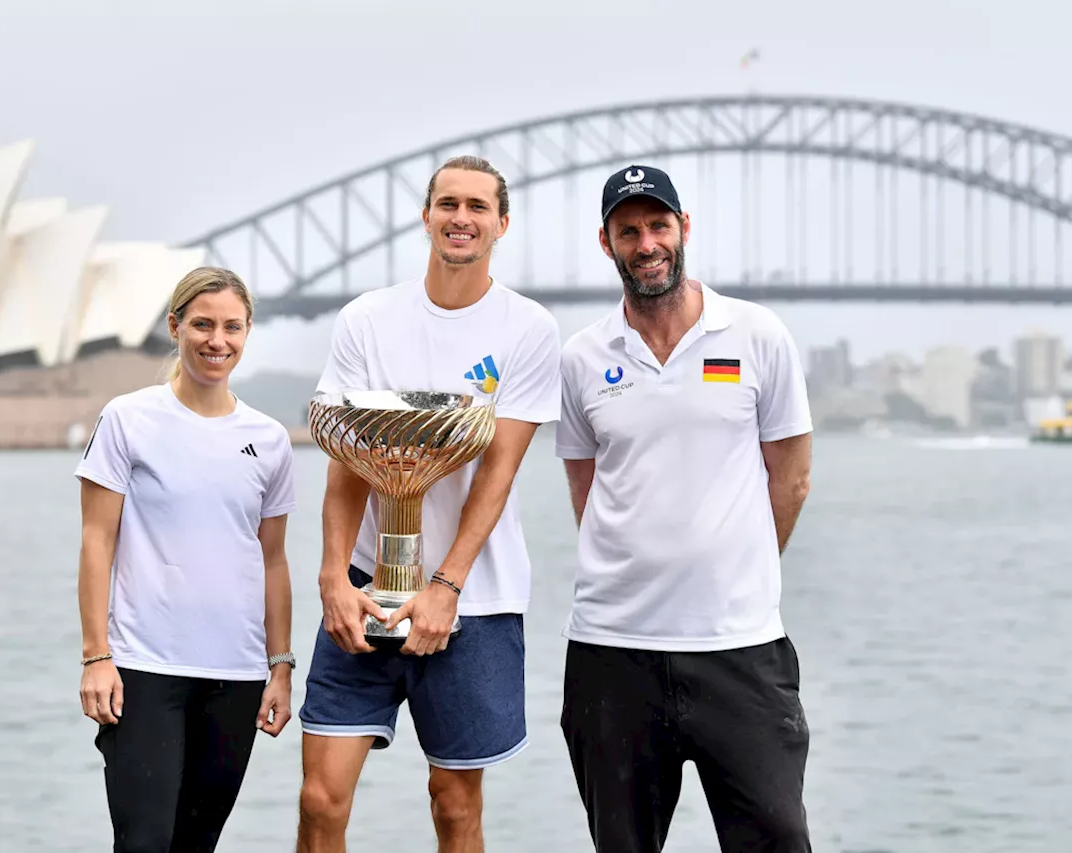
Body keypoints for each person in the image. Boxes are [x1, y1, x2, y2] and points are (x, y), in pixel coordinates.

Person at [295, 155, 562, 853]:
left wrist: (445, 585)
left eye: (478, 206)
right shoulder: (367, 319)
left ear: (502, 224)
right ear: (426, 216)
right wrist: (331, 580)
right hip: (364, 588)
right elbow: (348, 463)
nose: (461, 218)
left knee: (453, 804)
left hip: (473, 598)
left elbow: (496, 473)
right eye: (448, 203)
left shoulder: (528, 328)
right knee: (320, 799)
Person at [554, 165, 815, 853]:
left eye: (658, 225)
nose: (646, 244)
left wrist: (732, 561)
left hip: (740, 648)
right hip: (613, 652)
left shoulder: (757, 335)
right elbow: (588, 491)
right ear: (606, 242)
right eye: (628, 230)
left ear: (684, 229)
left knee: (779, 837)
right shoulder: (581, 358)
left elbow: (789, 480)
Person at [74, 266, 298, 853]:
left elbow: (272, 559)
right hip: (144, 669)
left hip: (237, 673)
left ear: (247, 333)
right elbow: (97, 540)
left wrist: (280, 666)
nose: (216, 340)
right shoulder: (128, 418)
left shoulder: (269, 439)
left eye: (231, 327)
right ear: (175, 327)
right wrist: (97, 655)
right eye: (201, 324)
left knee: (196, 843)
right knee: (145, 842)